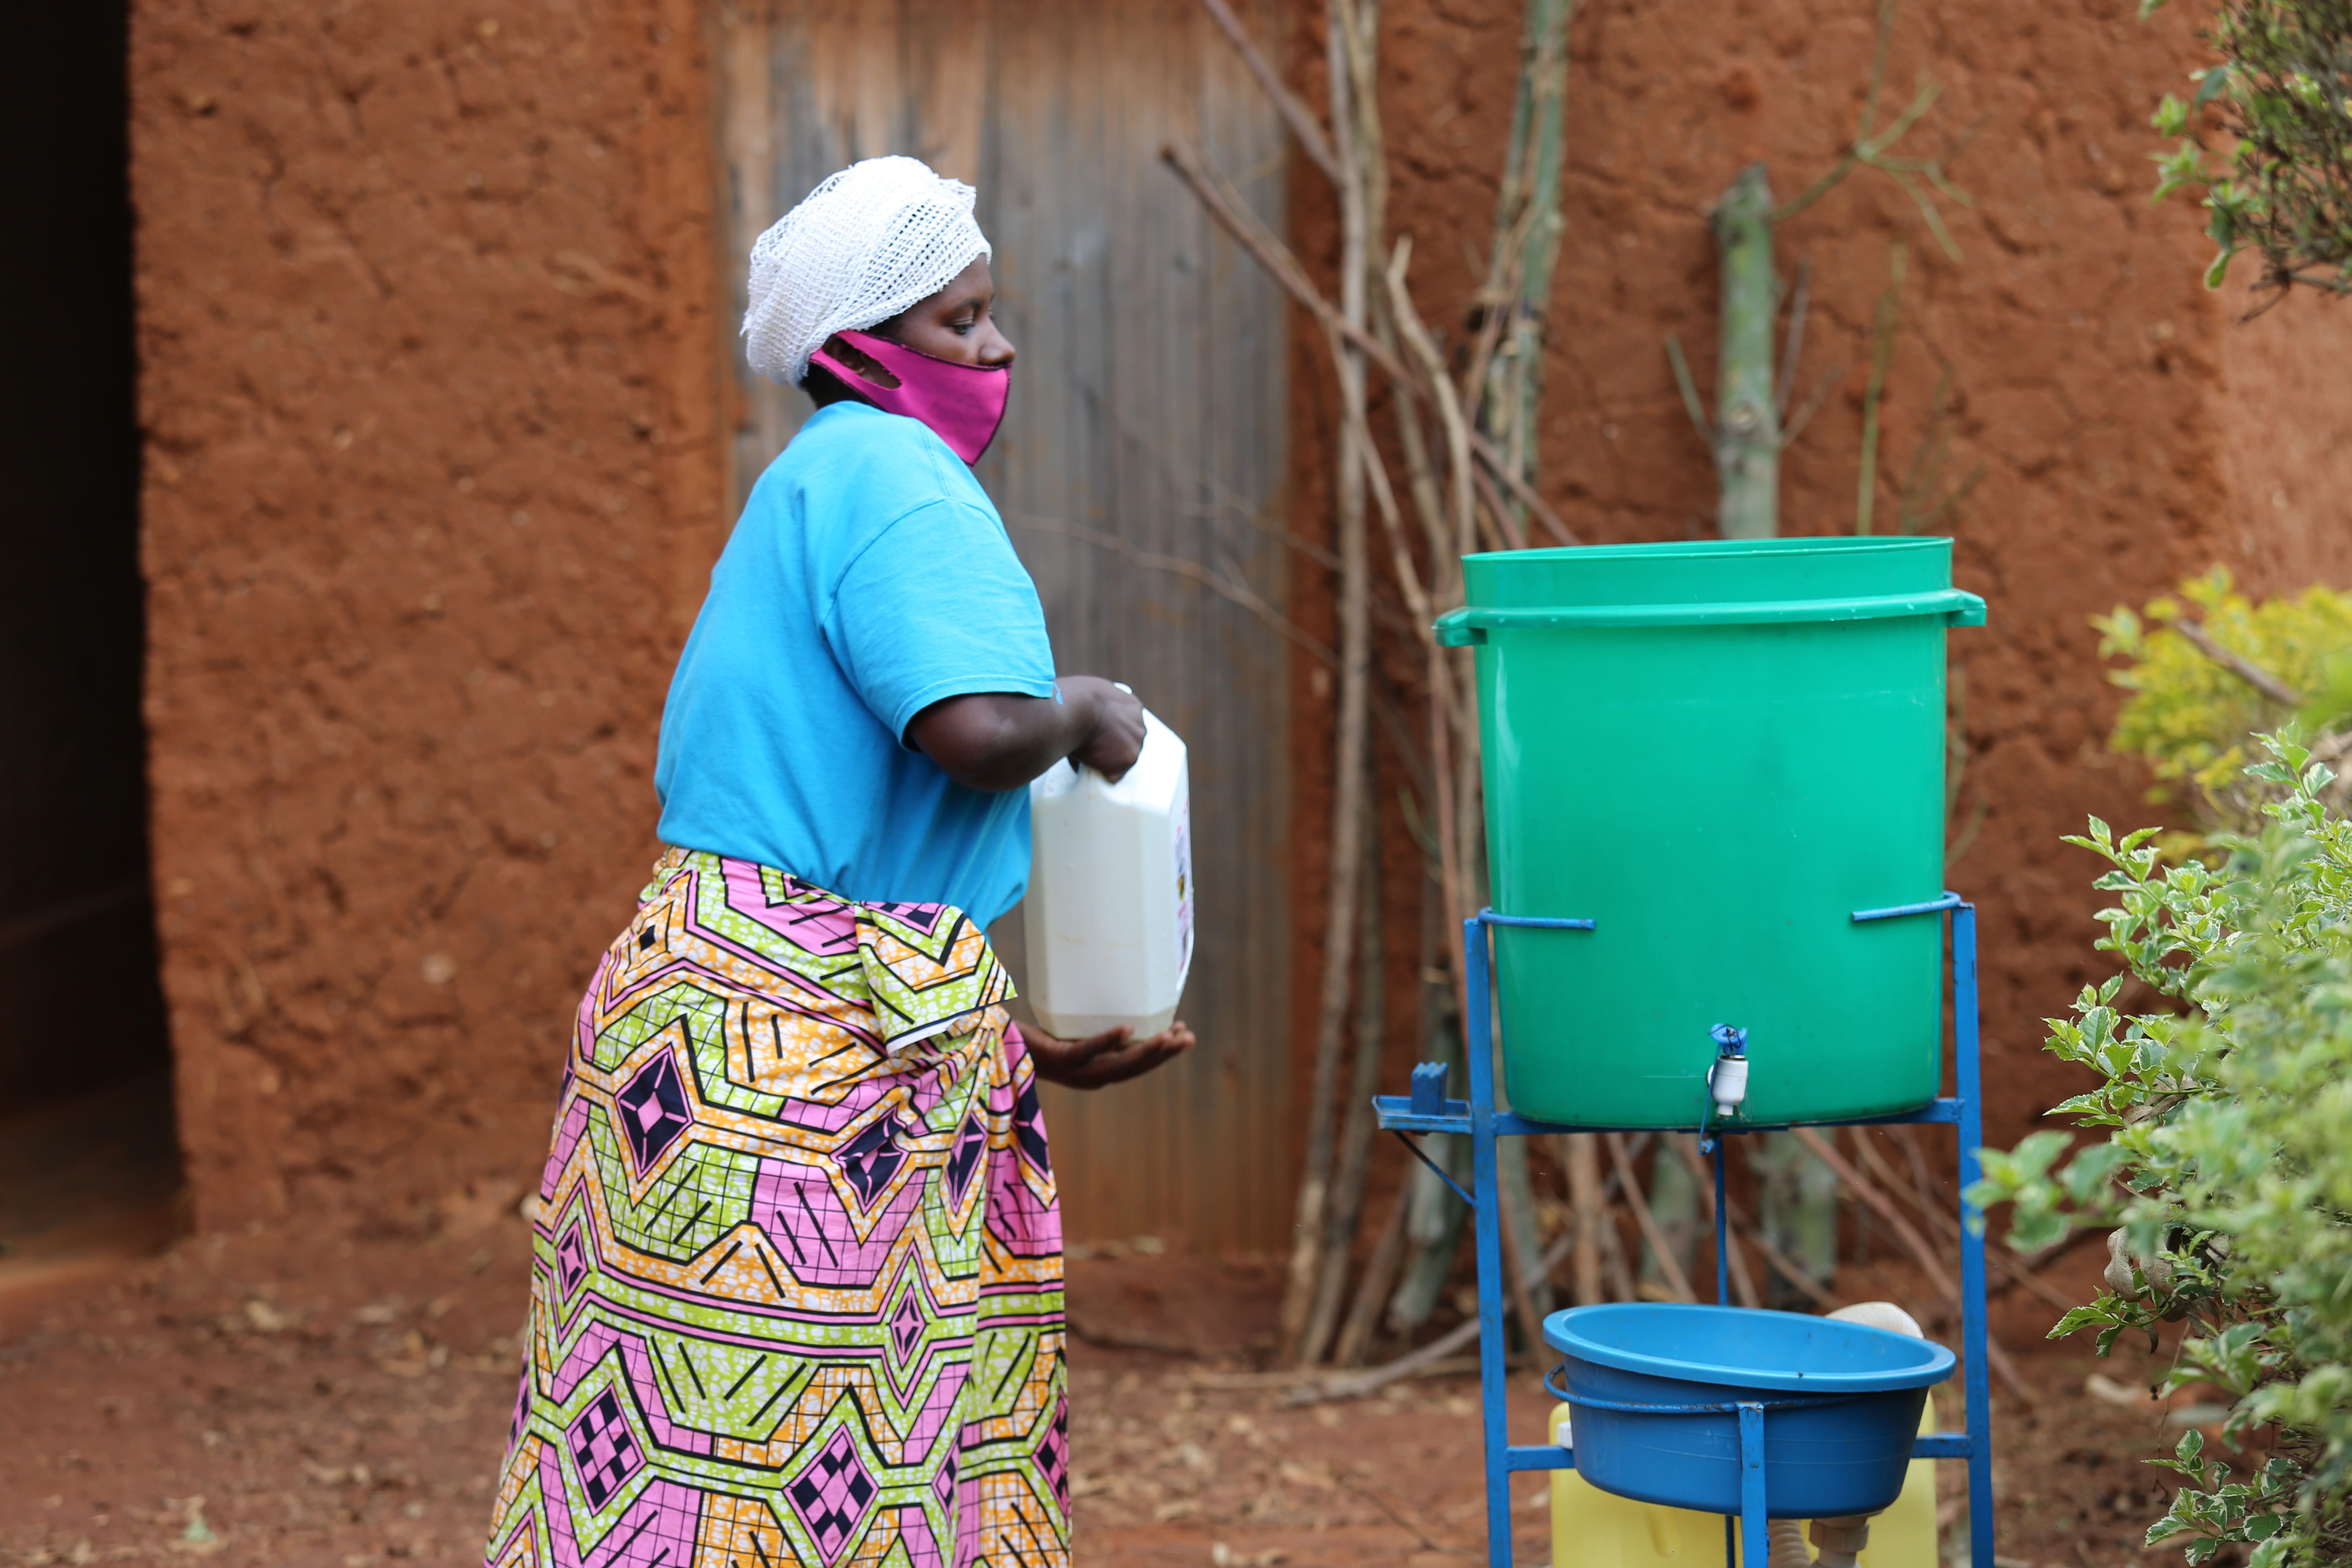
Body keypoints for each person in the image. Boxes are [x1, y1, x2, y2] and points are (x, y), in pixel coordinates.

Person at [484, 156, 1192, 1568]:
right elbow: (975, 732)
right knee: (812, 1468)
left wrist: (1016, 1045)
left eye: (992, 315)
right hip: (793, 1094)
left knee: (670, 1467)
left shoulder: (808, 483)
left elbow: (832, 873)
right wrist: (1088, 710)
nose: (996, 349)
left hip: (705, 1033)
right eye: (958, 320)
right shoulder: (896, 473)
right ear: (862, 351)